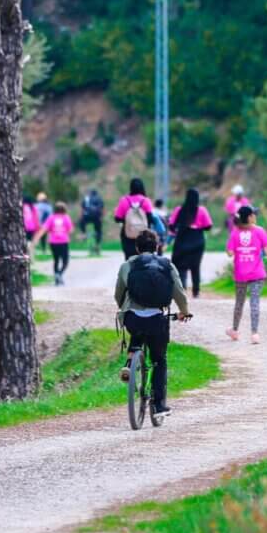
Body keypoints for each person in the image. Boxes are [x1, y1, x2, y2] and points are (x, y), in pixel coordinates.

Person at [114, 230, 192, 419]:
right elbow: (179, 292)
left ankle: (131, 360)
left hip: (133, 318)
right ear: (157, 247)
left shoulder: (128, 265)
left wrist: (123, 308)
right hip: (157, 320)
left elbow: (119, 293)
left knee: (137, 331)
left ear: (137, 248)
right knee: (159, 360)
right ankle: (158, 406)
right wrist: (184, 311)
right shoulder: (167, 265)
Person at [226, 205, 267, 344]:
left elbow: (229, 253)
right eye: (254, 214)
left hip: (241, 274)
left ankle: (234, 330)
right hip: (257, 274)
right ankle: (254, 334)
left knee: (239, 302)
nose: (255, 216)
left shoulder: (235, 232)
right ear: (250, 217)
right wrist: (258, 252)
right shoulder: (260, 231)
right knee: (255, 303)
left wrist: (240, 251)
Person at [169, 188, 213, 298]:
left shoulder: (179, 210)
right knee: (195, 267)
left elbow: (171, 225)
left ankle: (182, 288)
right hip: (197, 241)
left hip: (182, 240)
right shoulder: (202, 210)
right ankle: (196, 291)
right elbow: (208, 226)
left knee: (181, 266)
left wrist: (179, 229)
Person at [113, 178, 155, 259]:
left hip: (128, 235)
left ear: (131, 187)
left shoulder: (124, 200)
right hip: (144, 237)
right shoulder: (146, 201)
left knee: (129, 259)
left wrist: (128, 220)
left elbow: (117, 218)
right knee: (144, 259)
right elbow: (150, 218)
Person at [33, 202, 74, 285]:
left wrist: (36, 238)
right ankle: (60, 274)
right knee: (65, 261)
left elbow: (44, 229)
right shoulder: (66, 218)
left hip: (53, 242)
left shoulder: (51, 218)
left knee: (56, 260)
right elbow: (71, 230)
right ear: (64, 209)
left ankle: (56, 277)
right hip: (63, 242)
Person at [79, 188, 104, 255]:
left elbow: (82, 210)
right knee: (99, 231)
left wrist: (81, 219)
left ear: (90, 193)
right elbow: (102, 209)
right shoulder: (99, 199)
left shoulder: (86, 198)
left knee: (81, 222)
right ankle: (97, 245)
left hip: (86, 217)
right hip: (96, 217)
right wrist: (101, 218)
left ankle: (83, 233)